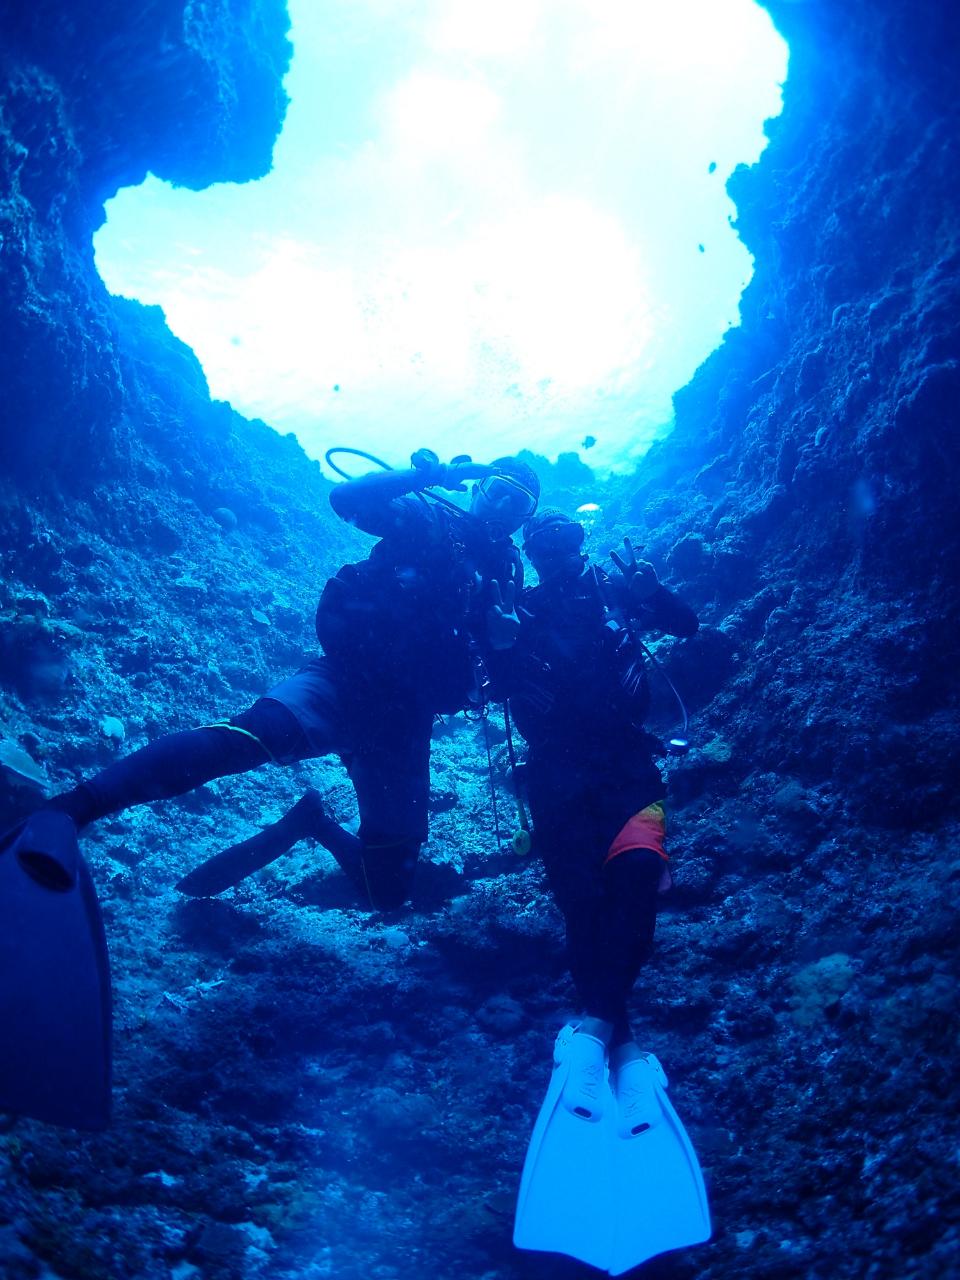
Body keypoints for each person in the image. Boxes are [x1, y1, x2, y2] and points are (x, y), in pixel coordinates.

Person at [38, 452, 540, 912]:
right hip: (346, 681)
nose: (502, 508)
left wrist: (502, 643)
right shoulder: (430, 520)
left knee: (387, 890)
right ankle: (72, 810)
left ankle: (312, 821)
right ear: (477, 487)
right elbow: (347, 499)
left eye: (518, 505)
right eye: (497, 490)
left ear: (525, 518)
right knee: (241, 742)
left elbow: (495, 677)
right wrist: (432, 477)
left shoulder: (509, 573)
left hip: (407, 719)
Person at [505, 510, 711, 1271]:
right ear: (530, 554)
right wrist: (486, 631)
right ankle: (619, 1044)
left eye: (564, 543)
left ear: (579, 547)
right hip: (557, 784)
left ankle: (592, 1034)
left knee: (633, 893)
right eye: (542, 546)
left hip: (630, 774)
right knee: (583, 911)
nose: (554, 554)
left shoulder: (620, 592)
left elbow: (687, 627)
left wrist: (655, 592)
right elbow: (471, 684)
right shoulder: (514, 612)